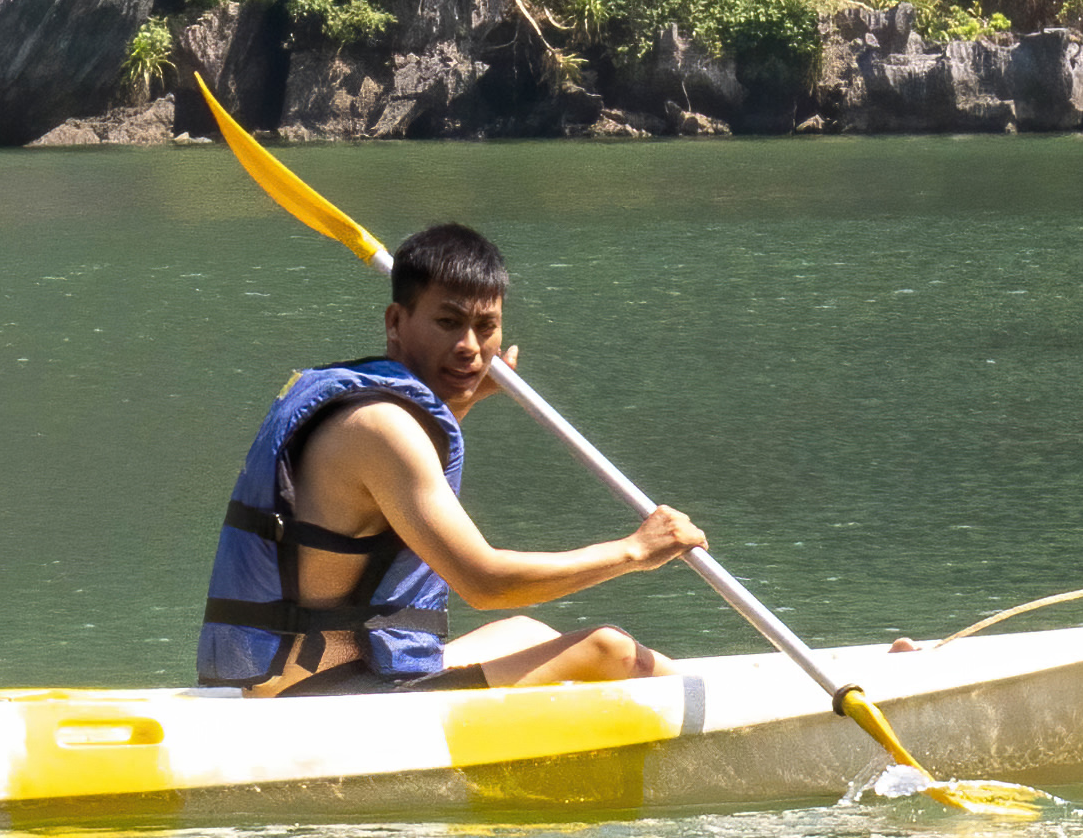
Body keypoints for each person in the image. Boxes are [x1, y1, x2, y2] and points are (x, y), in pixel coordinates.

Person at [207, 221, 712, 694]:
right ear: (395, 322)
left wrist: (461, 402)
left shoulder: (371, 409)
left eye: (485, 326)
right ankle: (723, 714)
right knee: (610, 649)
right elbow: (483, 582)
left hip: (296, 679)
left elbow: (394, 510)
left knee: (524, 630)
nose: (470, 347)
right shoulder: (382, 428)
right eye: (448, 323)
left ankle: (707, 696)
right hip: (327, 698)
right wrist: (635, 552)